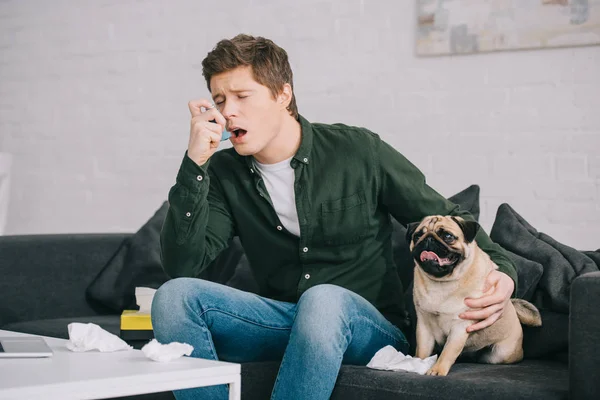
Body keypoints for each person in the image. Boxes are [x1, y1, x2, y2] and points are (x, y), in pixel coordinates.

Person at [151, 34, 518, 400]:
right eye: (219, 100)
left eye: (241, 96)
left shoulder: (358, 151)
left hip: (367, 327)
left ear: (283, 94)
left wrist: (503, 273)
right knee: (173, 297)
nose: (227, 111)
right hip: (285, 322)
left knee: (323, 299)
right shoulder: (222, 172)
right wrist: (195, 165)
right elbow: (183, 266)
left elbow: (445, 215)